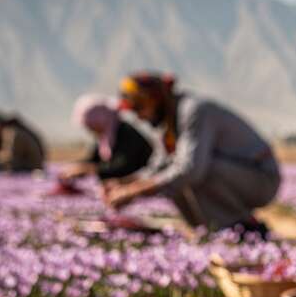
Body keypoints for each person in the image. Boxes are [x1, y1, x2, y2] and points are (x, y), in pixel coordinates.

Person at [103, 72, 279, 236]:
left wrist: (134, 191)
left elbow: (191, 168)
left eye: (139, 107)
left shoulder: (194, 111)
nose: (138, 117)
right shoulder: (167, 123)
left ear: (156, 99)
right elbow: (159, 166)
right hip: (237, 176)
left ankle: (242, 228)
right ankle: (206, 231)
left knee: (194, 171)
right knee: (170, 177)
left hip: (261, 179)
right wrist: (124, 183)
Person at [58, 94, 154, 187]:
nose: (89, 130)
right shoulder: (106, 136)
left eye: (91, 124)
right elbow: (94, 159)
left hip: (141, 181)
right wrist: (76, 166)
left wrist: (90, 169)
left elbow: (123, 166)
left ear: (101, 119)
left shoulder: (126, 133)